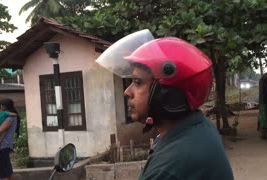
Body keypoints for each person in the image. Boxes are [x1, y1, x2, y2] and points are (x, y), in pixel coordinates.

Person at [96, 29, 234, 180]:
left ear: (168, 95)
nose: (127, 92)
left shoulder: (170, 168)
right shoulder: (194, 126)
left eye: (137, 82)